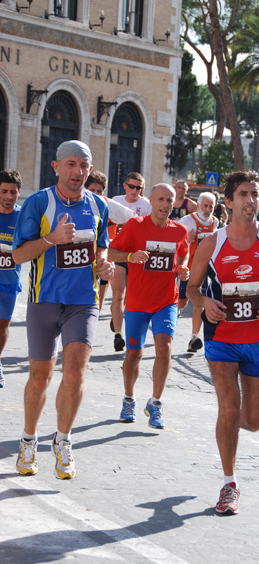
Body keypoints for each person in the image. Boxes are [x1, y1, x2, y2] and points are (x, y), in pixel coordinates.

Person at [187, 170, 259, 514]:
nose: (251, 200)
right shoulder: (211, 243)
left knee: (252, 420)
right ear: (229, 202)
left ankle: (230, 432)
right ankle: (229, 483)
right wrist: (205, 303)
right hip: (221, 338)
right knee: (229, 410)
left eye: (255, 194)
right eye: (244, 195)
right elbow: (191, 289)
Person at [13, 140, 113, 480]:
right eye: (71, 164)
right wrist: (51, 239)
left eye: (83, 165)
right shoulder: (39, 203)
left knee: (75, 374)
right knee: (40, 377)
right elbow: (18, 256)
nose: (78, 172)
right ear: (56, 167)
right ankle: (28, 439)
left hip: (83, 302)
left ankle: (64, 440)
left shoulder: (99, 205)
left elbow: (101, 252)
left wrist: (105, 268)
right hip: (43, 301)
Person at [108, 183, 189, 429]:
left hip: (166, 300)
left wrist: (182, 267)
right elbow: (110, 252)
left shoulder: (180, 231)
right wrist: (130, 257)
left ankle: (155, 403)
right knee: (134, 354)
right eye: (161, 199)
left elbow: (183, 254)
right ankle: (129, 398)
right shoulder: (135, 226)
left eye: (170, 200)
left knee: (164, 348)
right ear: (151, 200)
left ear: (175, 203)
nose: (165, 205)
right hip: (138, 301)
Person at [110, 172, 152, 351]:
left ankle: (120, 317)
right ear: (125, 185)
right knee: (118, 293)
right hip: (119, 252)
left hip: (138, 256)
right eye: (132, 186)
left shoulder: (147, 205)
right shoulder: (115, 200)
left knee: (130, 298)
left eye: (139, 187)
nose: (135, 190)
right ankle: (118, 336)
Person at [85, 171, 135, 311]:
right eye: (92, 190)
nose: (95, 194)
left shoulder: (109, 205)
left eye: (99, 191)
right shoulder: (77, 202)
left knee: (96, 306)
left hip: (104, 259)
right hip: (83, 258)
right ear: (85, 188)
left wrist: (120, 240)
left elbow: (134, 219)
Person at [179, 191, 219, 352]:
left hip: (205, 268)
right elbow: (173, 240)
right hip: (188, 267)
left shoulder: (215, 222)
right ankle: (170, 319)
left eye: (211, 206)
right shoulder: (187, 221)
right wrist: (185, 240)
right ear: (198, 205)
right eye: (205, 205)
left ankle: (194, 338)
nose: (208, 209)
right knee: (182, 302)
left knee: (199, 303)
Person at [0, 170, 22, 388]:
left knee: (2, 324)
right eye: (4, 191)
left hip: (9, 280)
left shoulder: (23, 216)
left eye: (12, 192)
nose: (8, 196)